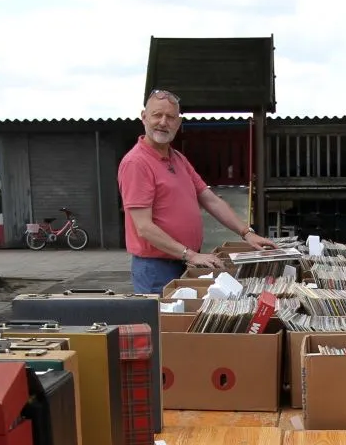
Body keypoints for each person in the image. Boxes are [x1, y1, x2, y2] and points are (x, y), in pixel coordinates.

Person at [118, 89, 276, 293]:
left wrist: (247, 233)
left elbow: (210, 199)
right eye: (157, 115)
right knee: (165, 323)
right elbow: (144, 227)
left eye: (170, 117)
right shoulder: (136, 163)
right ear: (144, 117)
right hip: (156, 269)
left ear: (178, 122)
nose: (163, 122)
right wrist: (190, 255)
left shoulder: (178, 159)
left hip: (183, 261)